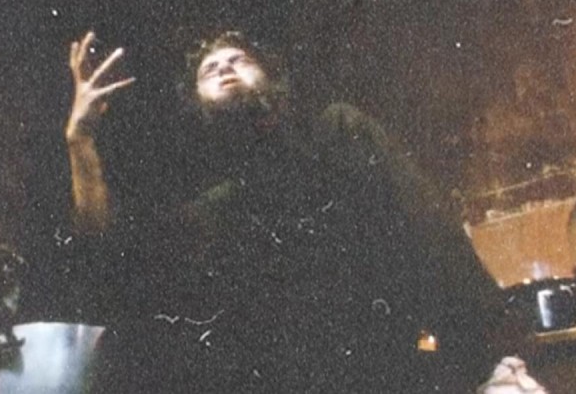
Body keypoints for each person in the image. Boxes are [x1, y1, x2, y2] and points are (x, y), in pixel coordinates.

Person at [63, 29, 519, 393]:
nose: (224, 67)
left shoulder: (338, 134)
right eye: (209, 68)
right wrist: (79, 140)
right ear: (197, 103)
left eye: (239, 59)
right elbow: (112, 264)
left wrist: (495, 363)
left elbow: (432, 231)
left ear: (271, 80)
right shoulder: (212, 211)